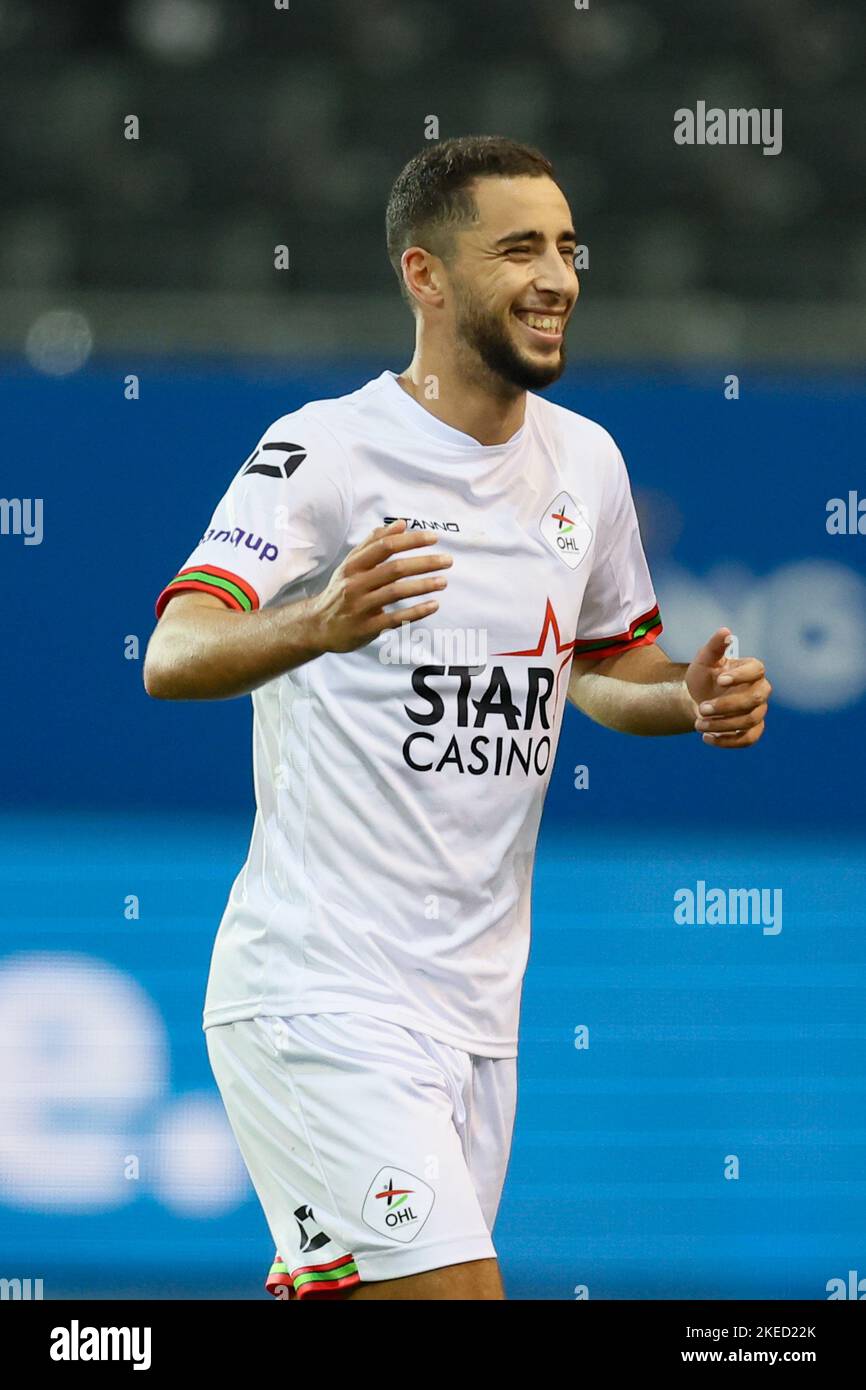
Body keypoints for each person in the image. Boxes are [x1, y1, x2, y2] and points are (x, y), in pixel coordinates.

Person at [144, 135, 772, 1301]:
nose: (558, 277)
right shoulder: (322, 451)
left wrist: (683, 696)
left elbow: (599, 665)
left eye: (567, 248)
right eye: (519, 248)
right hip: (320, 990)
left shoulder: (583, 462)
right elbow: (172, 653)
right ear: (424, 275)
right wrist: (315, 626)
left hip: (478, 1014)